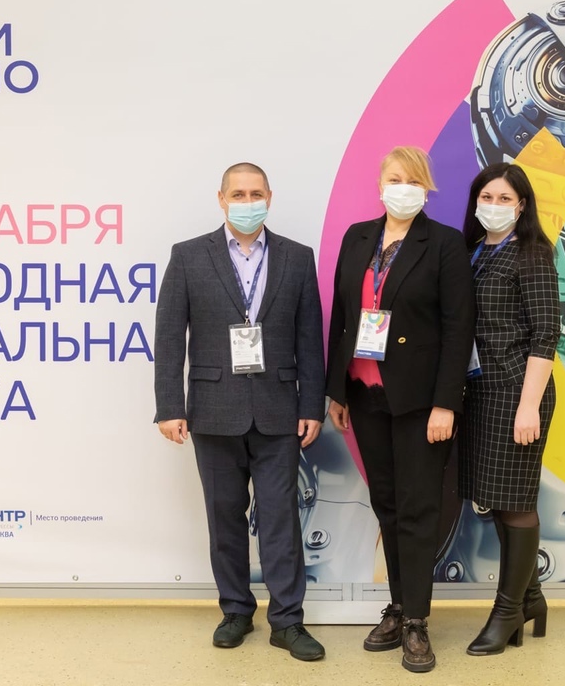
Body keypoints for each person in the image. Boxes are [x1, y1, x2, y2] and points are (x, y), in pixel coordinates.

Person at [154, 162, 327, 662]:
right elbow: (169, 336)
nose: (247, 202)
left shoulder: (297, 257)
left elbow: (309, 340)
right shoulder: (188, 256)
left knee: (280, 521)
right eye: (238, 194)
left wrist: (311, 404)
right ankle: (235, 610)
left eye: (255, 193)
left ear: (269, 196)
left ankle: (287, 621)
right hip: (212, 410)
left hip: (279, 411)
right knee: (224, 517)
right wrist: (169, 406)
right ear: (221, 198)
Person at [325, 146, 474, 673]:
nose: (402, 188)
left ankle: (416, 621)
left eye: (413, 180)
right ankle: (397, 605)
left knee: (417, 508)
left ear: (426, 188)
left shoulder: (445, 244)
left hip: (419, 401)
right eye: (394, 179)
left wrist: (445, 403)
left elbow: (459, 329)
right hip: (365, 395)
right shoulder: (357, 237)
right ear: (380, 185)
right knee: (387, 505)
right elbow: (343, 316)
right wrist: (337, 391)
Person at [458, 163, 558, 655]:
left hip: (518, 392)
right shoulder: (474, 251)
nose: (494, 206)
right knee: (497, 497)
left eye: (504, 199)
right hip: (480, 390)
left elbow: (546, 333)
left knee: (516, 502)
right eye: (487, 197)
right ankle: (532, 598)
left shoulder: (532, 253)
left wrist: (529, 407)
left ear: (521, 205)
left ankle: (507, 611)